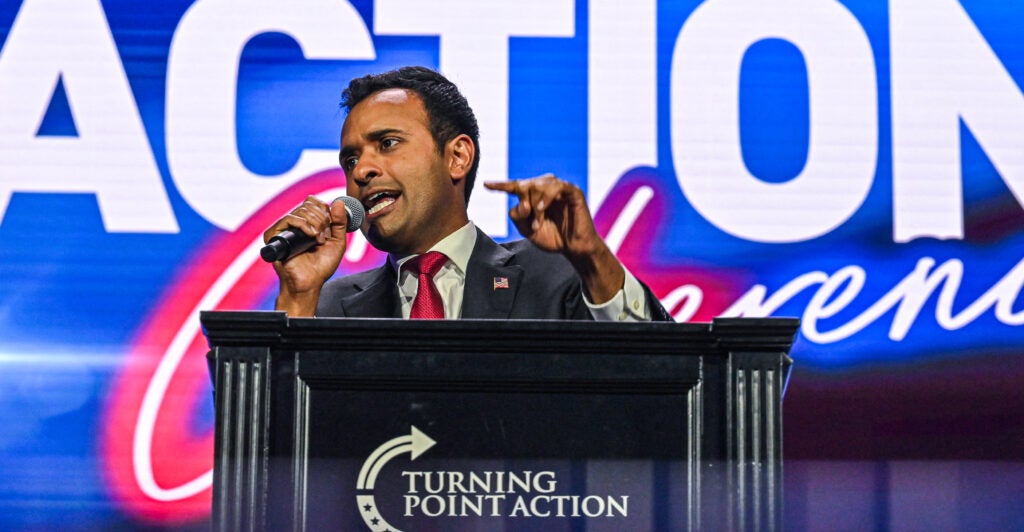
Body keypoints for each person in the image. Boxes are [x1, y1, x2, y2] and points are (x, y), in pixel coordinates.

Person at [264, 66, 671, 322]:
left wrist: (593, 259)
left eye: (387, 143)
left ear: (457, 156)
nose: (363, 170)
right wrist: (298, 297)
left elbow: (663, 387)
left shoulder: (554, 277)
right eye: (350, 160)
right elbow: (266, 445)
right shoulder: (329, 305)